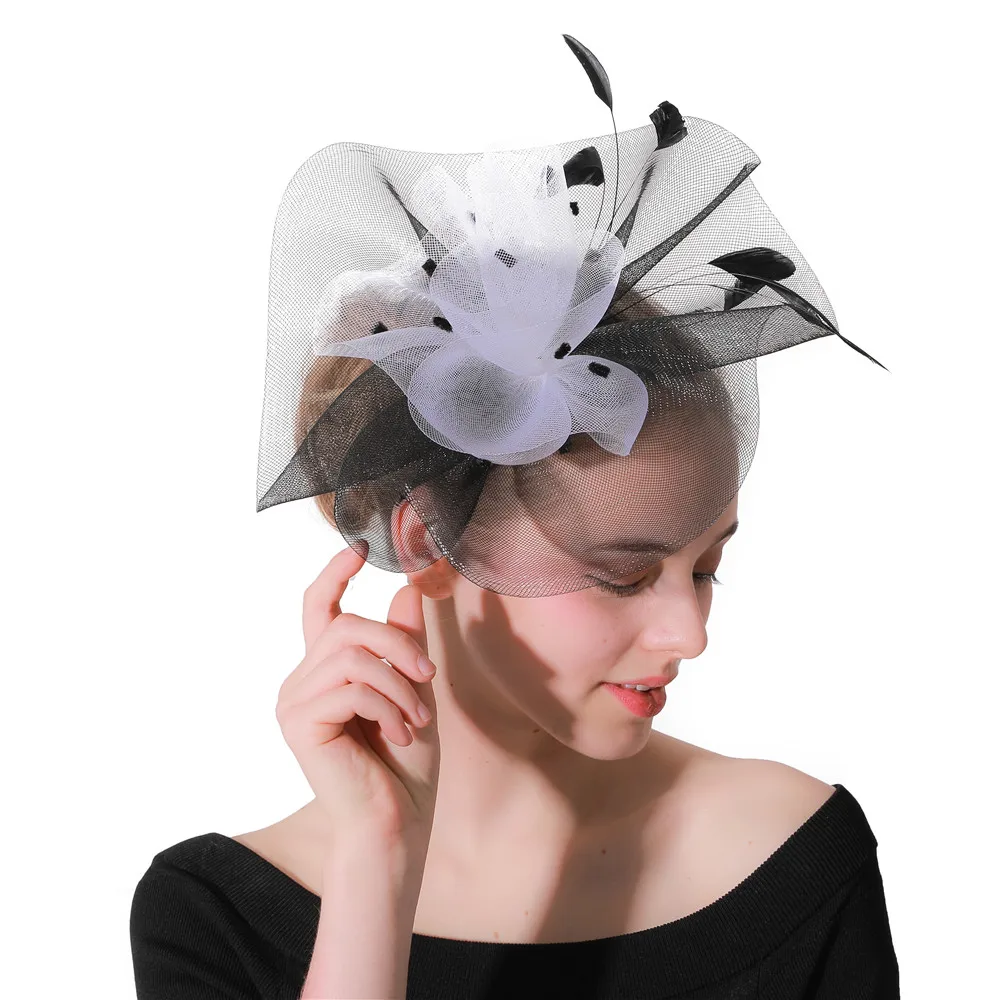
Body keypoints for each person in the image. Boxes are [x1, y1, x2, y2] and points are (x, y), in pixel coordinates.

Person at [129, 32, 899, 1000]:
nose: (689, 634)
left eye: (706, 567)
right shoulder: (217, 915)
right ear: (429, 542)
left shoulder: (789, 855)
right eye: (623, 575)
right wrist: (377, 858)